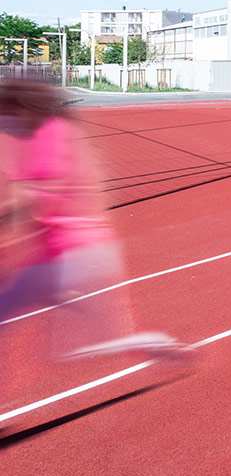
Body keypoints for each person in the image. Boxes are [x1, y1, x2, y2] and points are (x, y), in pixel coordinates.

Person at [0, 75, 192, 374]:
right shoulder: (48, 133)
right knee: (100, 341)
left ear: (23, 107)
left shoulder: (51, 135)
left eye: (7, 114)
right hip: (82, 254)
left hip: (71, 256)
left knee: (16, 322)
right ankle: (155, 342)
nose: (5, 123)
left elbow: (37, 202)